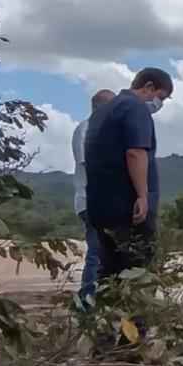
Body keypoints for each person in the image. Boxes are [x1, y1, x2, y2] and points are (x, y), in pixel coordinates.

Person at [85, 67, 173, 304]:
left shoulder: (101, 113)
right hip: (128, 210)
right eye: (160, 97)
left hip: (101, 207)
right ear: (149, 87)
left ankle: (103, 333)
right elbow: (135, 152)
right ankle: (133, 338)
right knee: (139, 274)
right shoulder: (135, 109)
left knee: (109, 274)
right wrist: (143, 195)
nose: (158, 104)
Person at [72, 88, 116, 307]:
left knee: (108, 252)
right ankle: (87, 300)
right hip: (92, 200)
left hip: (107, 202)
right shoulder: (86, 129)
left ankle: (103, 297)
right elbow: (89, 164)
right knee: (96, 250)